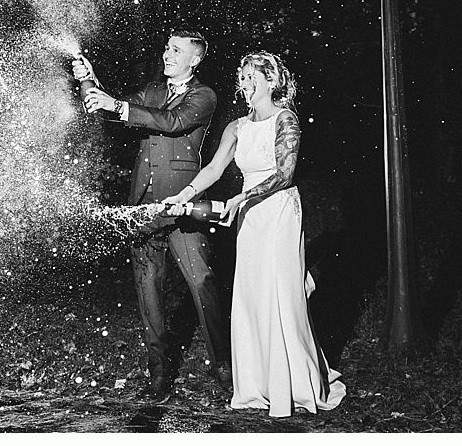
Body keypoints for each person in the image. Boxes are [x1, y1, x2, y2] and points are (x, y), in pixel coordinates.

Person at [163, 51, 345, 417]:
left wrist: (242, 197)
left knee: (280, 295)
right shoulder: (236, 127)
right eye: (242, 77)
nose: (244, 84)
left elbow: (284, 174)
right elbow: (213, 169)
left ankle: (293, 385)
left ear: (271, 81)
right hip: (249, 217)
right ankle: (257, 386)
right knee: (252, 295)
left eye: (251, 77)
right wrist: (183, 196)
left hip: (279, 213)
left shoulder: (285, 119)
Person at [74, 30, 231, 401]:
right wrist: (88, 80)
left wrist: (117, 105)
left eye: (176, 50)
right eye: (166, 48)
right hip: (143, 205)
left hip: (182, 205)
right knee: (148, 289)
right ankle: (159, 375)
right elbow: (104, 109)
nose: (167, 54)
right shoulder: (151, 90)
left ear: (195, 59)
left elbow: (171, 122)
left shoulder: (204, 95)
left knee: (202, 283)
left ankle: (224, 369)